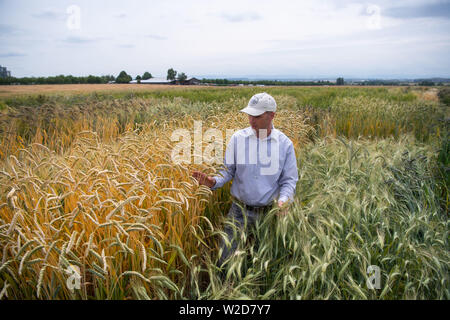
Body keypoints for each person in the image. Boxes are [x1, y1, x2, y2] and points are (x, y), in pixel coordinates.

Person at [192, 92, 298, 267]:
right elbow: (228, 171)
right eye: (249, 115)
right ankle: (226, 291)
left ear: (272, 115)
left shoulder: (284, 144)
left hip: (268, 213)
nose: (251, 120)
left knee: (263, 263)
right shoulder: (238, 139)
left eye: (257, 116)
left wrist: (283, 202)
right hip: (238, 211)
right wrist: (213, 182)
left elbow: (289, 180)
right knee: (225, 261)